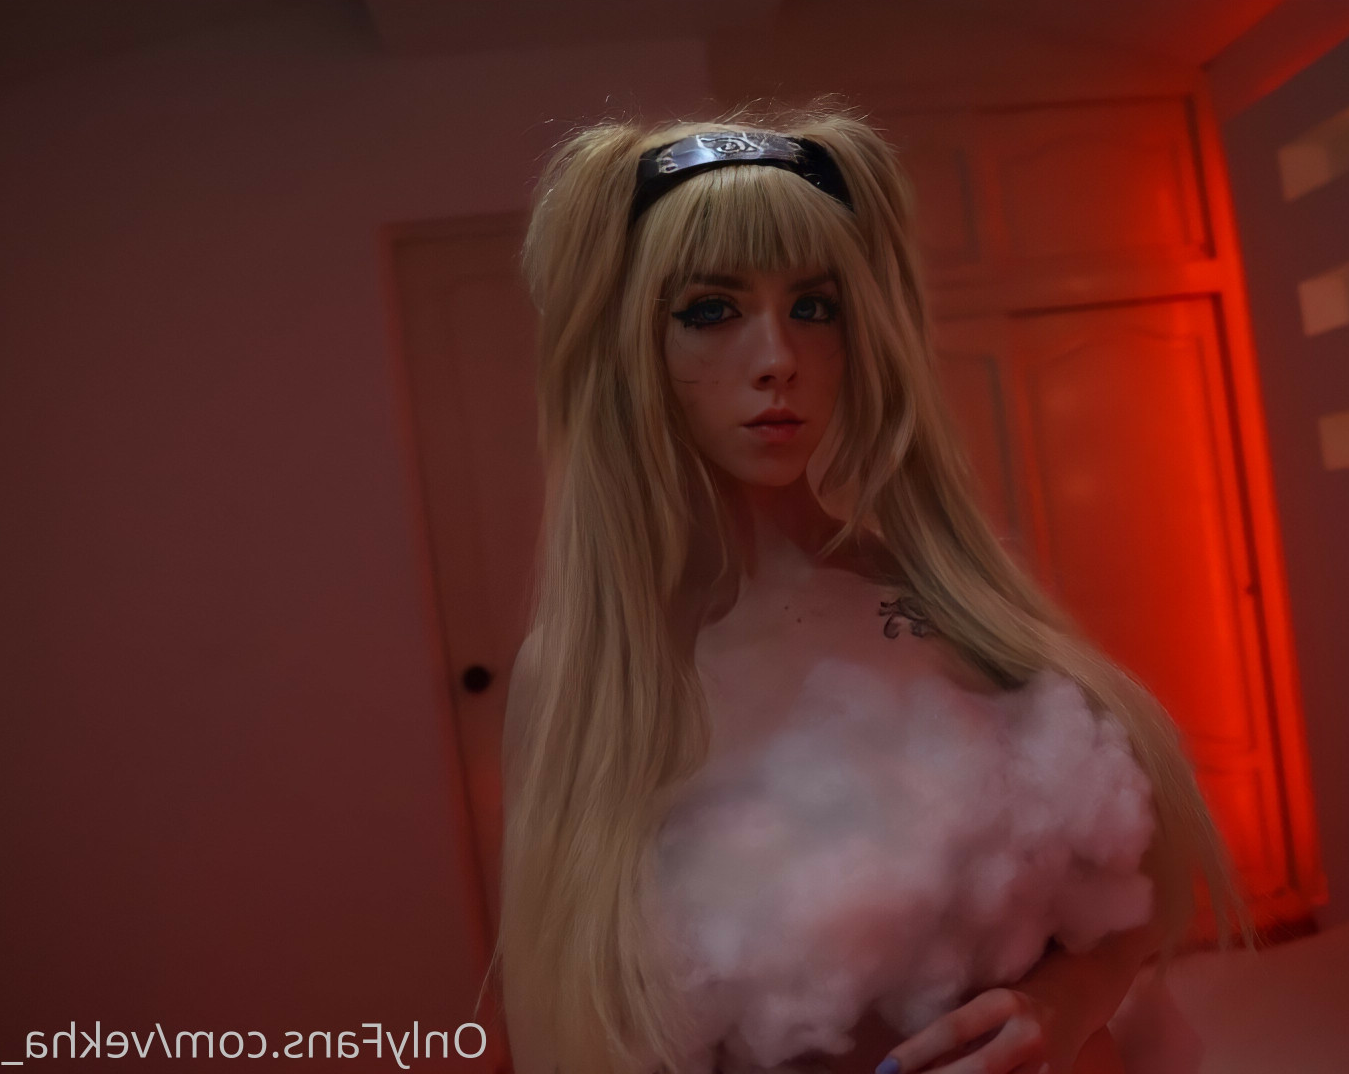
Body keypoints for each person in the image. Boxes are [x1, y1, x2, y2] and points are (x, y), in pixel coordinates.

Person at [497, 96, 1255, 1074]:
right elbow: (562, 1022)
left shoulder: (934, 598)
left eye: (814, 309)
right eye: (710, 311)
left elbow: (1128, 891)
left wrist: (1059, 1006)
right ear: (633, 347)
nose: (778, 360)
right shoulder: (588, 674)